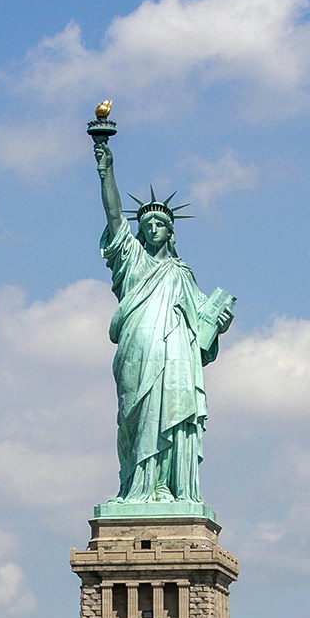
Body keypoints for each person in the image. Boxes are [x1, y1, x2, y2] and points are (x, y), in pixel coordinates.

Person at [94, 133, 234, 504]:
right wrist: (105, 170)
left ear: (171, 233)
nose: (152, 227)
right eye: (147, 223)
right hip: (137, 352)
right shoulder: (132, 261)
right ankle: (134, 487)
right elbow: (112, 215)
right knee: (135, 418)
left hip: (175, 358)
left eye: (160, 223)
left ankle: (164, 486)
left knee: (171, 415)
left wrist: (219, 321)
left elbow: (203, 323)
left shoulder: (181, 274)